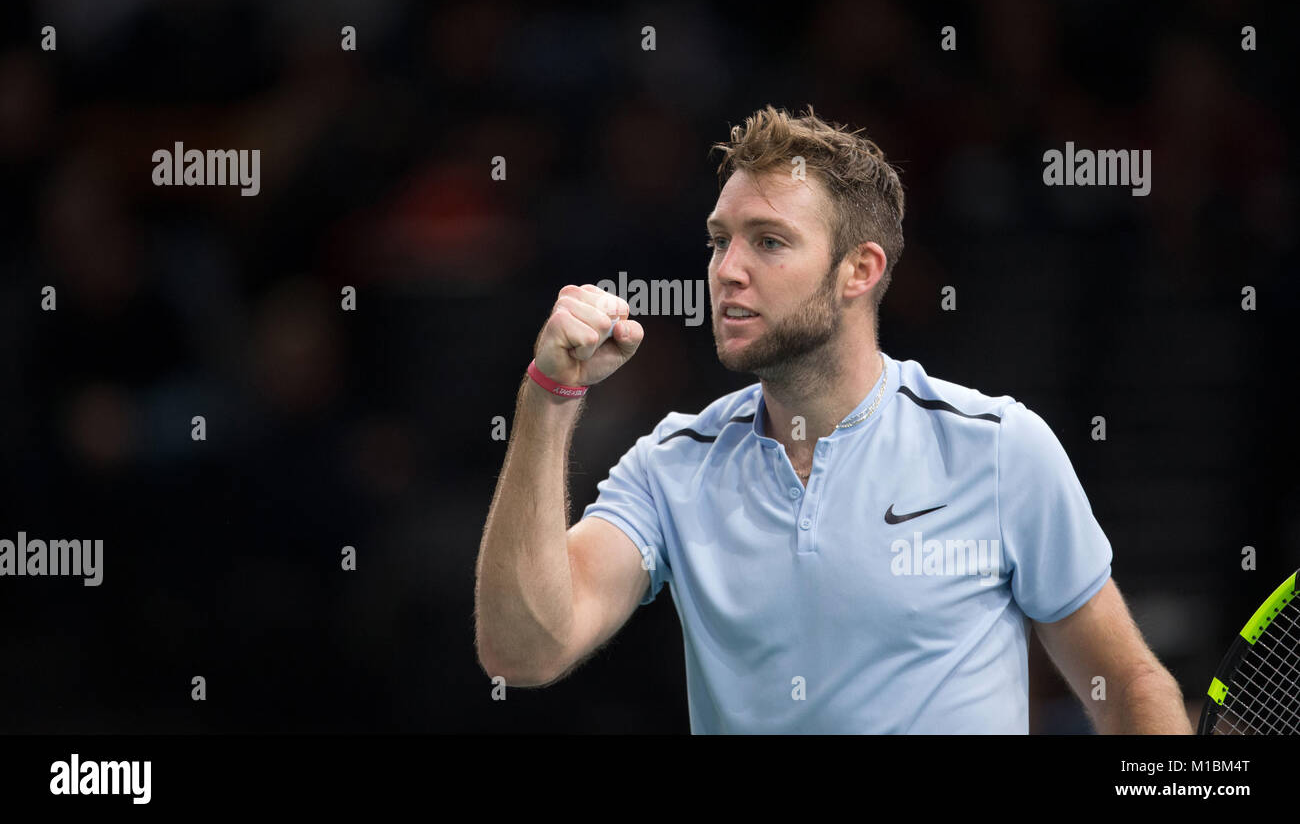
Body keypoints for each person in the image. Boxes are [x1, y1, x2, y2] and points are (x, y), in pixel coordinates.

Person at [475, 104, 1191, 733]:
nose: (727, 268)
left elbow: (1127, 684)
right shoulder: (671, 468)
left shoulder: (998, 450)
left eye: (769, 241)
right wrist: (548, 396)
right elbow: (524, 650)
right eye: (720, 239)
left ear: (860, 270)